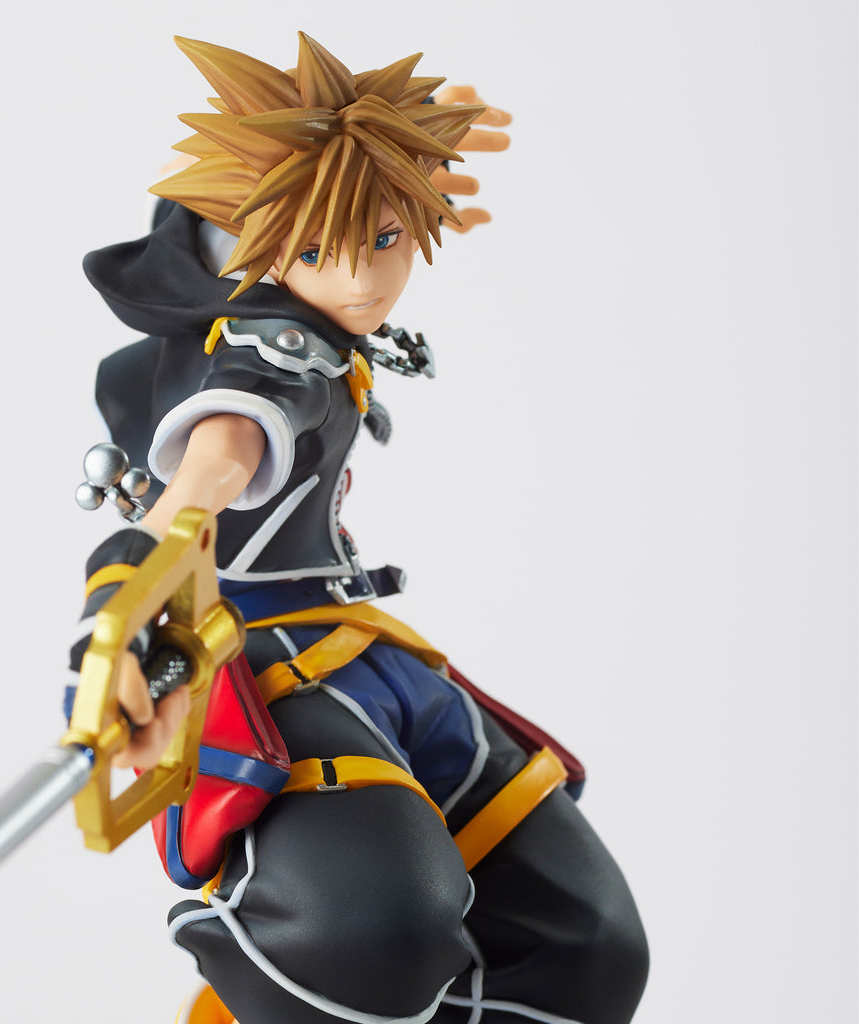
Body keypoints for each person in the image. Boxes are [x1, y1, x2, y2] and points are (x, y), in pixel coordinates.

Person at [69, 33, 649, 1024]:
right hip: (267, 668)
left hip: (373, 656)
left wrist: (407, 149)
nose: (364, 280)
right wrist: (124, 601)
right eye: (314, 251)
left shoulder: (325, 309)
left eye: (386, 239)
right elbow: (209, 472)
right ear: (258, 247)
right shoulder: (270, 353)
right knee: (370, 930)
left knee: (583, 947)